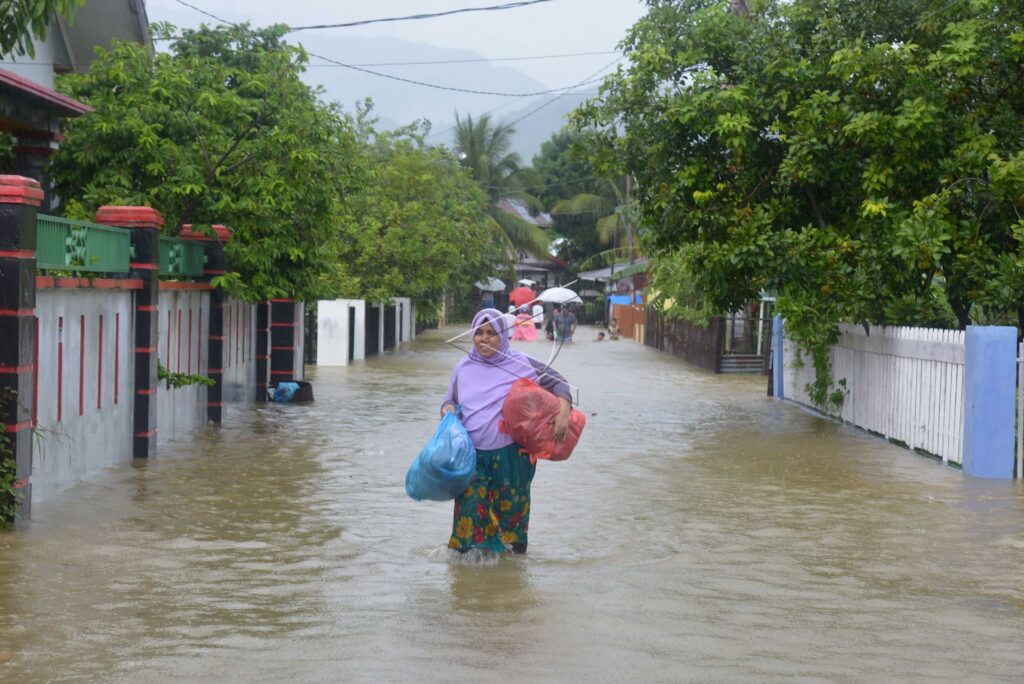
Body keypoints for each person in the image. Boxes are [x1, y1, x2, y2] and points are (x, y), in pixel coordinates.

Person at [440, 308, 572, 554]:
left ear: (503, 335)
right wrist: (447, 410)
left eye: (492, 333)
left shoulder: (521, 362)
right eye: (479, 332)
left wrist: (563, 410)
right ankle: (467, 580)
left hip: (512, 457)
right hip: (471, 457)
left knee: (510, 521)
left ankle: (509, 580)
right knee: (469, 513)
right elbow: (450, 401)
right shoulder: (463, 367)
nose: (484, 338)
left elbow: (560, 383)